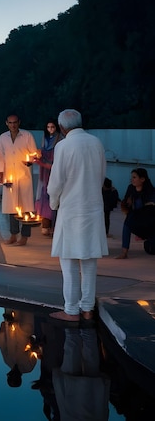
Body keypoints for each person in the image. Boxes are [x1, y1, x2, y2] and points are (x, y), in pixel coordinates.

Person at [47, 109, 108, 323]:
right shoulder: (96, 143)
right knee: (89, 261)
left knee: (69, 261)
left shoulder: (63, 146)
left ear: (62, 128)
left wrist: (54, 203)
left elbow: (56, 182)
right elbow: (101, 175)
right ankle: (88, 308)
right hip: (92, 208)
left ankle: (71, 309)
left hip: (71, 210)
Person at [0, 114, 38, 246]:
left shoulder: (27, 136)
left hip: (24, 175)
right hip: (10, 176)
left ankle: (24, 236)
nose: (13, 125)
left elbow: (33, 153)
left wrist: (31, 161)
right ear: (6, 123)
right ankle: (13, 234)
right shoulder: (3, 137)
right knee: (12, 207)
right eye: (10, 123)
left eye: (15, 122)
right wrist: (0, 175)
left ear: (19, 122)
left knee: (26, 206)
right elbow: (0, 156)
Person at [115, 168, 155, 259]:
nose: (131, 179)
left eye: (134, 177)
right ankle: (124, 252)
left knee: (151, 249)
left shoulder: (151, 191)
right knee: (127, 224)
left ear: (142, 179)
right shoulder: (130, 188)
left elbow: (151, 207)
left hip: (149, 219)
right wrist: (126, 203)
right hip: (135, 216)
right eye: (131, 177)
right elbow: (126, 202)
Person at [34, 118, 62, 237]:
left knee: (53, 197)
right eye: (48, 127)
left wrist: (42, 163)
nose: (50, 130)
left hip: (53, 171)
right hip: (44, 173)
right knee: (44, 195)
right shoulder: (45, 139)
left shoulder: (59, 140)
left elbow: (56, 163)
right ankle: (45, 224)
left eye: (52, 127)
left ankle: (54, 226)